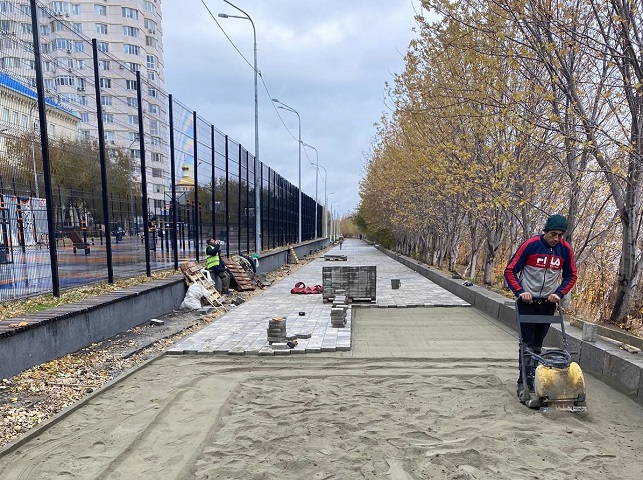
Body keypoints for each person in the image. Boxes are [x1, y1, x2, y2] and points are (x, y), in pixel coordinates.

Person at [504, 214, 578, 398]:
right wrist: (520, 291)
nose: (556, 239)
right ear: (545, 231)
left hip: (547, 303)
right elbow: (510, 270)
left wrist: (559, 293)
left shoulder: (565, 250)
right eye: (553, 234)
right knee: (527, 343)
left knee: (538, 344)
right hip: (527, 302)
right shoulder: (531, 245)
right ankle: (524, 383)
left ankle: (537, 378)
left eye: (560, 235)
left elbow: (571, 275)